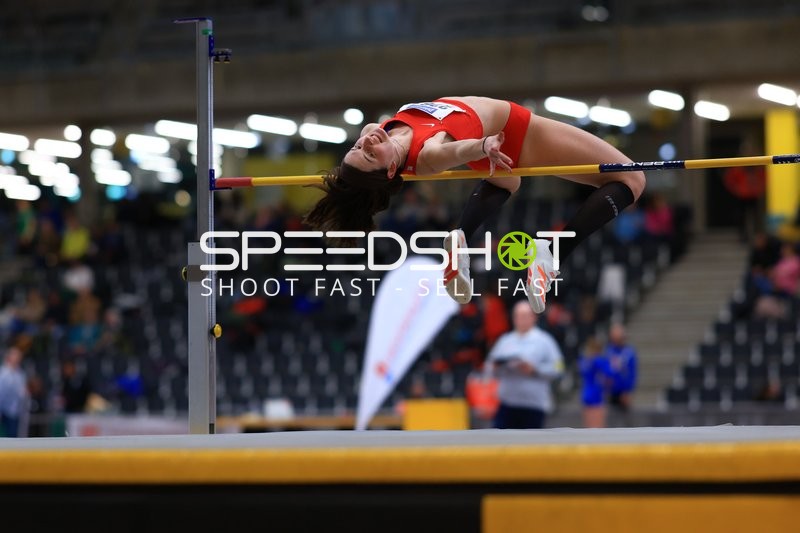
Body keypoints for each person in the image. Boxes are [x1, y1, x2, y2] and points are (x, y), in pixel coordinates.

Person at [303, 96, 646, 314]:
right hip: (513, 132)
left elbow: (365, 152)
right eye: (368, 153)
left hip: (492, 135)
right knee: (632, 179)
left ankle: (460, 237)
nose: (367, 141)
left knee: (508, 181)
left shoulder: (378, 132)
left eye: (358, 146)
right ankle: (551, 254)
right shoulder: (427, 156)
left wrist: (348, 175)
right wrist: (483, 146)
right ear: (392, 169)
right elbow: (454, 151)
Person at [485, 300, 564, 429]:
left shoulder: (545, 341)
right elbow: (489, 366)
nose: (521, 319)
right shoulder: (505, 341)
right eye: (518, 316)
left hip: (534, 405)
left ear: (533, 317)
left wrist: (535, 370)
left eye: (525, 316)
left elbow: (559, 367)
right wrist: (496, 368)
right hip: (507, 403)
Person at [578, 337, 612, 429]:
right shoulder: (597, 360)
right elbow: (610, 373)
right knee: (598, 427)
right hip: (596, 393)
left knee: (588, 427)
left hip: (586, 392)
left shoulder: (584, 361)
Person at [605, 323, 638, 412]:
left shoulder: (629, 352)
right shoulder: (608, 351)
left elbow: (632, 373)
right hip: (611, 391)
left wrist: (628, 390)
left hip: (624, 392)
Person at [0, 346, 28, 437]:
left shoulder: (20, 373)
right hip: (4, 409)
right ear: (9, 357)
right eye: (15, 356)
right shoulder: (3, 373)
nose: (18, 359)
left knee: (13, 435)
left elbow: (22, 391)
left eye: (19, 356)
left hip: (15, 410)